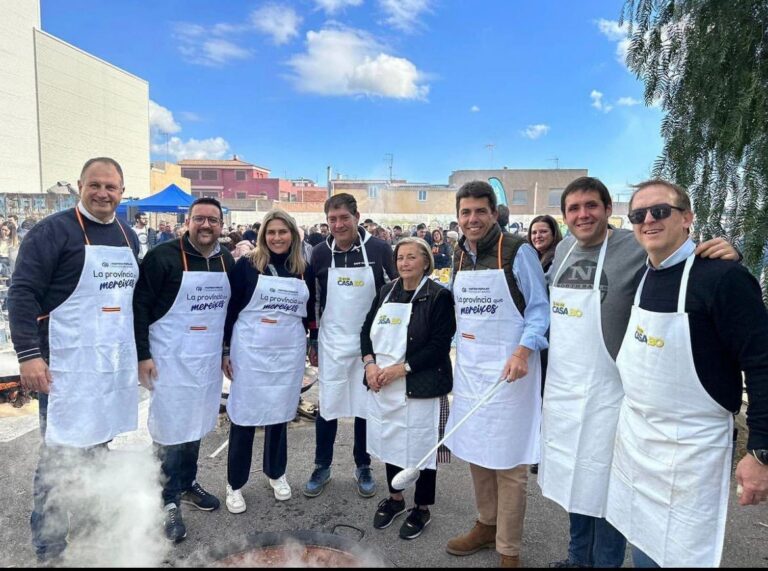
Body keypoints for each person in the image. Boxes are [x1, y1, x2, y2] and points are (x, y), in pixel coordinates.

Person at [540, 176, 739, 568]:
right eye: (574, 208)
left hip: (612, 392)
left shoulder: (635, 244)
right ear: (564, 216)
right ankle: (577, 559)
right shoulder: (563, 249)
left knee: (608, 489)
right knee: (574, 482)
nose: (583, 215)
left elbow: (682, 258)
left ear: (608, 210)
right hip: (566, 390)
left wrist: (731, 251)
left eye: (591, 205)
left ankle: (605, 564)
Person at [604, 180, 768, 567]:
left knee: (681, 554)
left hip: (691, 451)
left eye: (660, 211)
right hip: (638, 443)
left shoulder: (723, 278)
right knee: (642, 543)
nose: (648, 220)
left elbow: (762, 363)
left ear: (687, 218)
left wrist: (760, 453)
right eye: (638, 215)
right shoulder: (644, 275)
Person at [8, 157, 140, 562]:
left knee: (99, 443)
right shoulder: (52, 232)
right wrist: (29, 356)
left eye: (111, 187)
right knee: (60, 452)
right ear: (80, 187)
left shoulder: (128, 236)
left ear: (122, 192)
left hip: (109, 362)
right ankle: (49, 544)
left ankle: (91, 517)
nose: (102, 193)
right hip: (63, 363)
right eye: (94, 185)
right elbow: (21, 292)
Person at [444, 181, 549, 568]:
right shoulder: (459, 254)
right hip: (472, 369)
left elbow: (539, 308)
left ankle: (509, 550)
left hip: (512, 371)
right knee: (478, 450)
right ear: (458, 217)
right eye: (465, 212)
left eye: (479, 211)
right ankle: (486, 525)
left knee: (510, 461)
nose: (472, 219)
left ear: (494, 213)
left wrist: (523, 351)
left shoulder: (518, 251)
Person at [133, 197, 233, 543]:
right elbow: (140, 307)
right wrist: (143, 355)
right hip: (169, 360)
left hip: (205, 361)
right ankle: (167, 500)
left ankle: (188, 484)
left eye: (213, 220)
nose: (206, 226)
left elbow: (228, 313)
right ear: (187, 222)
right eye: (199, 219)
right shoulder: (162, 257)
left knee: (195, 425)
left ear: (221, 226)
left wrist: (225, 351)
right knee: (169, 431)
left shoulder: (225, 259)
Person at [361, 237, 456, 540]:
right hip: (384, 384)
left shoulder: (438, 296)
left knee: (422, 447)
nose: (404, 263)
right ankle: (395, 498)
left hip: (420, 385)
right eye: (400, 257)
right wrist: (370, 365)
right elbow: (365, 331)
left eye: (411, 257)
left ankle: (422, 507)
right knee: (390, 440)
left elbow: (439, 346)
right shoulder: (386, 291)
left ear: (426, 262)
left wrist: (400, 370)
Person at [304, 193, 398, 498]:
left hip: (369, 344)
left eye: (344, 217)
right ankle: (322, 465)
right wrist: (313, 338)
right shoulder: (319, 253)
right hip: (332, 341)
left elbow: (396, 290)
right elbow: (313, 298)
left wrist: (392, 335)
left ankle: (363, 465)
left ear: (357, 217)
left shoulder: (379, 249)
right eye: (332, 219)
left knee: (364, 406)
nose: (338, 224)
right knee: (328, 406)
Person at [222, 209, 315, 513]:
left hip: (288, 353)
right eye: (271, 232)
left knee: (279, 413)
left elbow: (311, 311)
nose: (277, 238)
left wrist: (313, 341)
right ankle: (235, 483)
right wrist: (225, 350)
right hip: (250, 353)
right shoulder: (247, 266)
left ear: (293, 235)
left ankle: (276, 472)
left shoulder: (302, 268)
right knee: (244, 416)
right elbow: (230, 310)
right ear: (263, 236)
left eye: (282, 232)